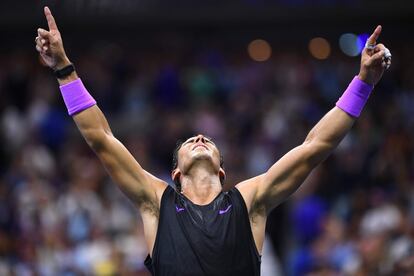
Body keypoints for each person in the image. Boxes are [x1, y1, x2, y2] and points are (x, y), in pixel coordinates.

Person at [34, 6, 391, 276]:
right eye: (191, 141)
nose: (201, 137)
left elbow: (315, 147)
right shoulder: (157, 203)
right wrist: (64, 68)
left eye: (206, 140)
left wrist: (363, 83)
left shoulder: (249, 202)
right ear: (175, 173)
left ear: (222, 172)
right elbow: (101, 138)